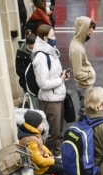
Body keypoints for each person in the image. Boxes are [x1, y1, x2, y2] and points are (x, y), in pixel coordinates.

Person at [32, 24, 69, 157]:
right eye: (52, 35)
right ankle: (42, 155)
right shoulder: (41, 58)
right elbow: (43, 83)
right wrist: (60, 80)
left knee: (58, 131)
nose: (55, 37)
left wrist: (62, 76)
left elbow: (52, 74)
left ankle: (56, 155)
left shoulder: (51, 51)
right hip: (51, 99)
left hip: (57, 96)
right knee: (54, 133)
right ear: (45, 38)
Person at [17, 110, 73, 175]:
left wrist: (47, 154)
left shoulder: (31, 134)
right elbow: (37, 160)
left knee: (62, 162)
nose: (43, 125)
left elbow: (41, 146)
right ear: (34, 125)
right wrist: (50, 161)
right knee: (61, 169)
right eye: (41, 123)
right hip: (38, 168)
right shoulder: (30, 139)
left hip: (40, 162)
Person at [69, 16, 96, 117]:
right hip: (85, 86)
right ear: (83, 30)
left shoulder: (77, 44)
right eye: (89, 33)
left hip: (85, 86)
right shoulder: (77, 49)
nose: (89, 36)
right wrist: (90, 74)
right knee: (85, 113)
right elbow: (78, 74)